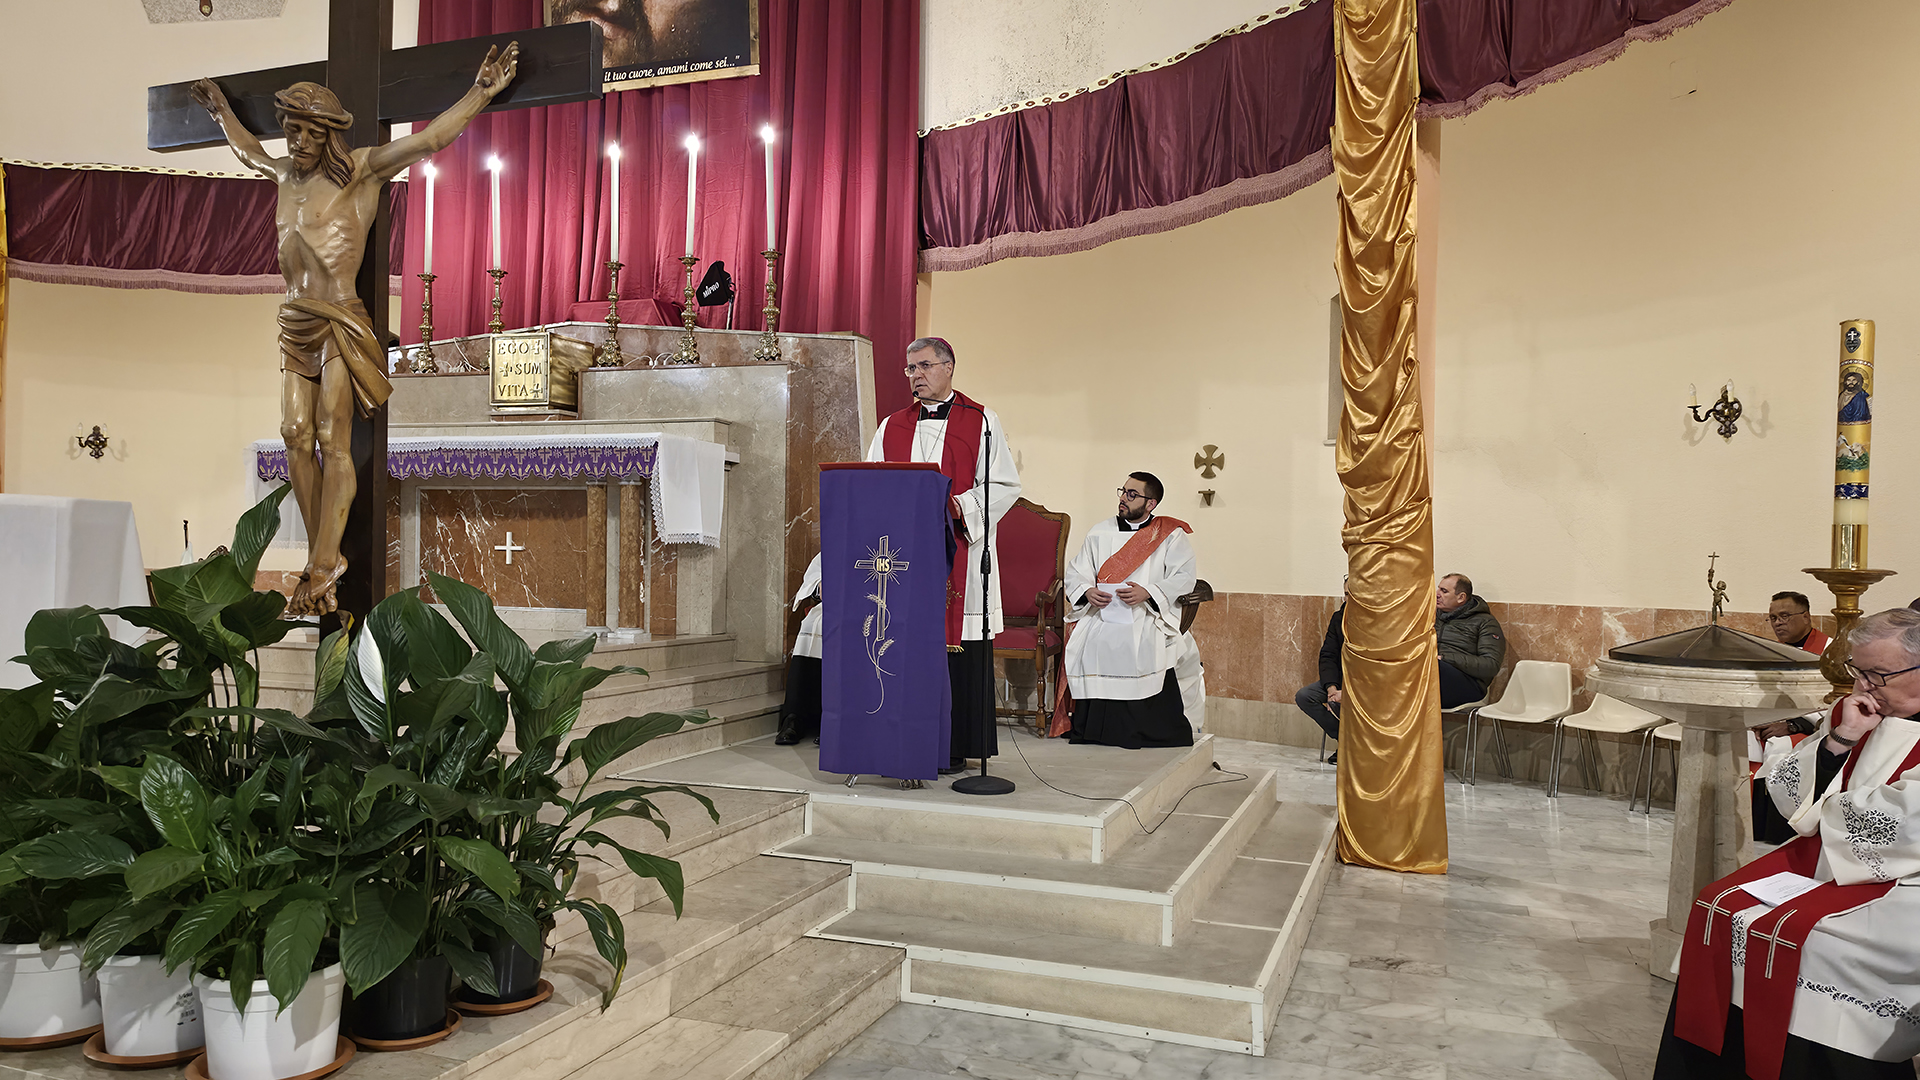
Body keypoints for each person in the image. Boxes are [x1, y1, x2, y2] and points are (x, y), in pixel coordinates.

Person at [190, 45, 520, 615]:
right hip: (295, 319)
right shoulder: (283, 174)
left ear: (327, 134)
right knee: (294, 433)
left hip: (341, 318)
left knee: (329, 435)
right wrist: (222, 111)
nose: (297, 141)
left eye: (308, 132)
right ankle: (324, 554)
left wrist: (480, 93)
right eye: (291, 130)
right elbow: (249, 152)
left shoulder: (362, 171)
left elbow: (429, 140)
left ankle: (322, 566)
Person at [1655, 608, 1920, 1079]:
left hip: (1906, 878)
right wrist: (1841, 739)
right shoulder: (1857, 710)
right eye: (1858, 671)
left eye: (1878, 674)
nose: (1863, 686)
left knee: (1819, 945)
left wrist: (1829, 812)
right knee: (1718, 906)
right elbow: (1787, 790)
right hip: (1833, 856)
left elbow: (1907, 824)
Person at [864, 337, 1020, 774]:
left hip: (961, 552)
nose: (916, 375)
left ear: (949, 367)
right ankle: (906, 742)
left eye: (924, 366)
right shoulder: (891, 426)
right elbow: (872, 481)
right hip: (905, 558)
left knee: (960, 654)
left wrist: (958, 507)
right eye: (910, 369)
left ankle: (956, 748)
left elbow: (1004, 485)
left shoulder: (982, 420)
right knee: (905, 647)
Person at [1057, 472, 1203, 749]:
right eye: (1123, 491)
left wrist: (1149, 592)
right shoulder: (1100, 532)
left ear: (1151, 503)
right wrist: (1087, 591)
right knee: (1089, 641)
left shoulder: (1169, 536)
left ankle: (1142, 730)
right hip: (1102, 611)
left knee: (1142, 643)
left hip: (1146, 612)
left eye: (1132, 494)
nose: (1124, 498)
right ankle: (1093, 729)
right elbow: (1077, 571)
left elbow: (1184, 577)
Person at [1751, 592, 1834, 843]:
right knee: (1740, 741)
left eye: (1785, 616)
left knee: (1780, 749)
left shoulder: (1831, 651)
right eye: (1773, 618)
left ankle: (1780, 832)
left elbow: (1833, 704)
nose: (1778, 623)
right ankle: (1748, 824)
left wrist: (1792, 724)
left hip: (1810, 728)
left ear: (1806, 617)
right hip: (1772, 722)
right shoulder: (1772, 651)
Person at [1295, 580, 1347, 764]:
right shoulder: (1338, 618)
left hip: (1364, 685)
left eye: (1353, 595)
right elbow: (1328, 654)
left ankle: (1361, 744)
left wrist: (1347, 693)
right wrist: (1332, 688)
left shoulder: (1375, 620)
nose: (1349, 599)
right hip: (1339, 679)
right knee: (1305, 696)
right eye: (1346, 594)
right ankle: (1346, 740)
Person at [774, 554, 823, 746]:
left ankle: (835, 723)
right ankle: (794, 717)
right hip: (835, 606)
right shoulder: (841, 541)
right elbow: (816, 571)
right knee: (812, 624)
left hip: (874, 608)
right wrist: (820, 586)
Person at [1436, 573, 1503, 708]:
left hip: (1469, 684)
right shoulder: (1431, 617)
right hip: (1433, 677)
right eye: (1438, 589)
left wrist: (1445, 658)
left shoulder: (1485, 622)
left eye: (1444, 591)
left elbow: (1491, 665)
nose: (1437, 594)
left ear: (1461, 597)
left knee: (1435, 667)